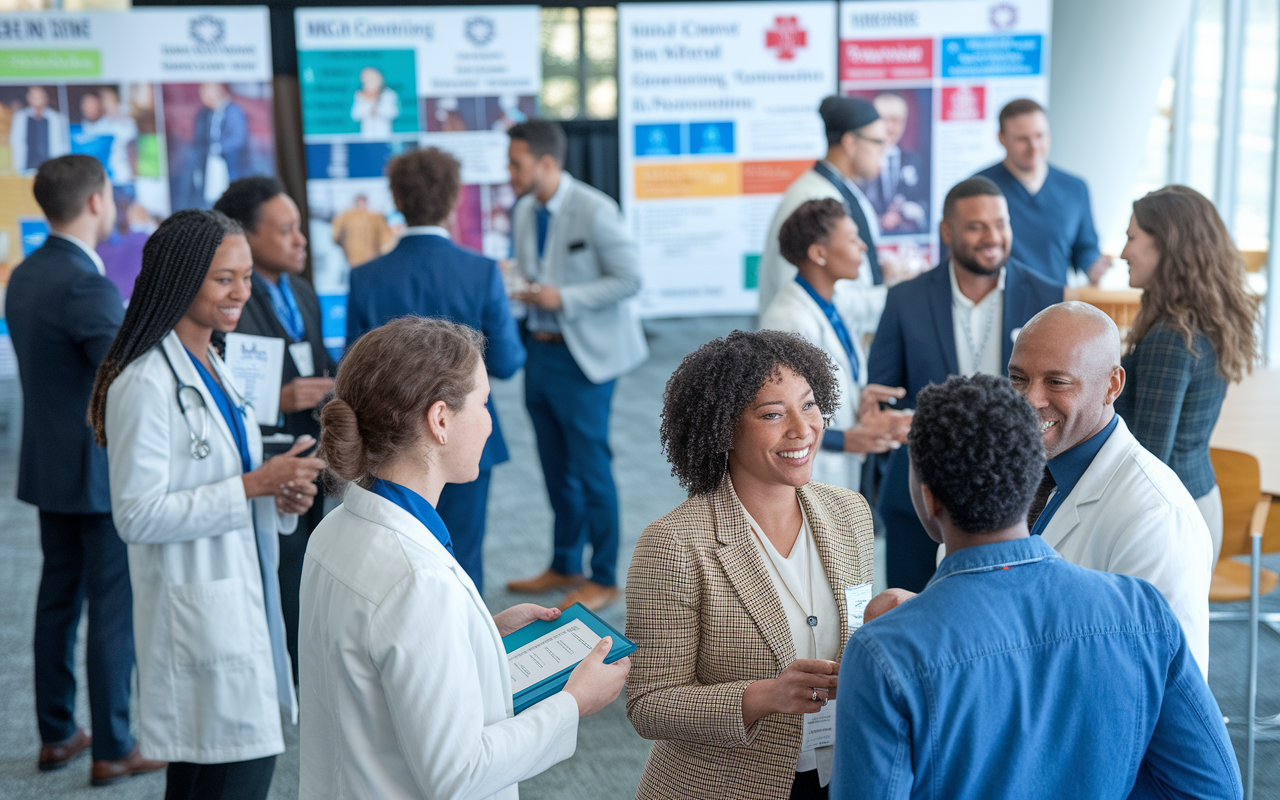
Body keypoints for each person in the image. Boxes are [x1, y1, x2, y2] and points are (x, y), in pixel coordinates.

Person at [830, 373, 1242, 800]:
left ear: (930, 498)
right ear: (1031, 479)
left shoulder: (886, 654)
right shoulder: (1142, 610)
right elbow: (1214, 789)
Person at [300, 316, 629, 799]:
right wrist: (572, 705)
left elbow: (379, 659)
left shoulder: (335, 528)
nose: (490, 421)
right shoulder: (418, 581)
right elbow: (460, 772)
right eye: (484, 402)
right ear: (440, 421)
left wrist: (479, 634)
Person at [88, 209, 325, 799]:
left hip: (236, 599)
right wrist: (253, 485)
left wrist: (281, 496)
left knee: (206, 781)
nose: (242, 292)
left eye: (245, 277)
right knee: (233, 778)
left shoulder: (214, 363)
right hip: (198, 617)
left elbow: (231, 481)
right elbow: (137, 515)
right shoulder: (143, 384)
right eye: (225, 279)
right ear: (182, 277)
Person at [626, 329, 906, 800]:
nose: (803, 429)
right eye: (773, 414)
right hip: (728, 785)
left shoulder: (850, 512)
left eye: (810, 405)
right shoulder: (674, 544)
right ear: (723, 429)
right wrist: (764, 696)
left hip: (846, 776)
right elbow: (649, 704)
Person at [6, 155, 164, 784]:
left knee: (57, 602)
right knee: (110, 609)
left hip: (48, 465)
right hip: (97, 474)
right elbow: (130, 375)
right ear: (97, 200)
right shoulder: (85, 285)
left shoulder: (25, 273)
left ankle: (57, 734)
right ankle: (113, 746)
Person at [867, 176, 1061, 592]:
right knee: (911, 612)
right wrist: (886, 419)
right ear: (947, 232)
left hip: (1021, 494)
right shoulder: (906, 299)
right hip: (921, 495)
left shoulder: (1047, 294)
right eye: (976, 226)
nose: (993, 237)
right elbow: (883, 393)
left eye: (1000, 223)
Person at [346, 148, 525, 593]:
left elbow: (349, 373)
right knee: (463, 559)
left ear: (396, 199)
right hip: (468, 433)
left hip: (388, 440)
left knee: (392, 557)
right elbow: (506, 361)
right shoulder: (481, 272)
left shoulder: (365, 278)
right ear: (453, 200)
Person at [1007, 302, 1213, 676]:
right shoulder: (1023, 469)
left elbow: (1155, 685)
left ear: (1112, 386)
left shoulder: (1156, 517)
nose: (1029, 399)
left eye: (1056, 382)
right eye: (1018, 378)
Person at [503, 120, 648, 611]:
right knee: (553, 465)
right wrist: (514, 281)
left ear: (546, 163)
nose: (509, 173)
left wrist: (562, 297)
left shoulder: (595, 209)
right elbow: (531, 271)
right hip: (538, 351)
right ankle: (565, 563)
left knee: (590, 468)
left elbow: (630, 279)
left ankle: (604, 575)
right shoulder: (524, 210)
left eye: (515, 163)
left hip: (587, 358)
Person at [215, 176, 338, 681]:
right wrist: (281, 398)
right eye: (285, 230)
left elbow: (322, 360)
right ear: (247, 236)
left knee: (313, 562)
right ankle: (284, 672)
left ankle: (305, 658)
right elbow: (221, 387)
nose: (299, 240)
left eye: (300, 229)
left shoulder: (301, 291)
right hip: (261, 459)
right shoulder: (230, 304)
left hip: (313, 451)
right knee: (277, 568)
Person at [1115, 185, 1261, 565]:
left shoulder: (1171, 337)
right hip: (1195, 497)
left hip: (1169, 516)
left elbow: (1149, 461)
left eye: (1131, 238)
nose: (1122, 252)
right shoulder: (1203, 322)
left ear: (1165, 245)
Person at [760, 198, 912, 491]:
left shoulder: (833, 302)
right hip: (812, 468)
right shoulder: (788, 320)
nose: (863, 247)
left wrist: (859, 398)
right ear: (819, 253)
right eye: (853, 239)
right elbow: (777, 415)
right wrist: (848, 439)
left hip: (840, 467)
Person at [758, 96, 888, 320]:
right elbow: (804, 293)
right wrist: (895, 295)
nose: (884, 151)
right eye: (878, 142)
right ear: (850, 142)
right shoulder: (810, 203)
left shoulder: (847, 192)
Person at [975, 99, 1110, 286]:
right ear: (1002, 139)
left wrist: (1093, 267)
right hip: (995, 303)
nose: (1034, 147)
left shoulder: (1075, 188)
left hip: (1055, 305)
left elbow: (1085, 249)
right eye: (1022, 139)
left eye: (1040, 136)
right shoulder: (977, 190)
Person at [864, 93, 929, 235]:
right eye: (885, 120)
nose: (891, 127)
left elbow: (925, 202)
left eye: (897, 120)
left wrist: (903, 212)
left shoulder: (915, 160)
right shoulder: (862, 160)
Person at [180, 83, 249, 209]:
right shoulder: (205, 114)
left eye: (206, 93)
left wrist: (217, 147)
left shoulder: (234, 112)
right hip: (208, 166)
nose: (203, 97)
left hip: (229, 166)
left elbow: (238, 138)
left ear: (217, 92)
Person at [10, 85, 69, 176]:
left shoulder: (56, 118)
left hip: (50, 169)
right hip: (26, 169)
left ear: (46, 98)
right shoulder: (20, 117)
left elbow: (63, 144)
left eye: (40, 96)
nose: (37, 99)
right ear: (28, 98)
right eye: (34, 96)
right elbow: (16, 142)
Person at [331, 193, 394, 268]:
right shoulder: (346, 217)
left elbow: (385, 235)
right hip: (352, 257)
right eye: (359, 202)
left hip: (371, 256)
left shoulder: (374, 217)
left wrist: (383, 249)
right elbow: (337, 233)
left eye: (362, 202)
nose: (361, 205)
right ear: (355, 203)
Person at [350, 66, 400, 137]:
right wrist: (367, 104)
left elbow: (394, 113)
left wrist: (378, 108)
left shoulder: (388, 94)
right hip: (367, 135)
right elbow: (355, 115)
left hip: (385, 134)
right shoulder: (360, 95)